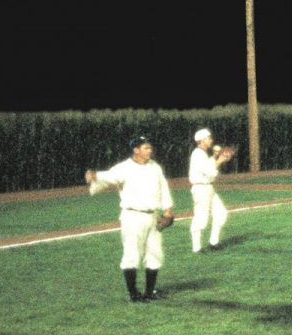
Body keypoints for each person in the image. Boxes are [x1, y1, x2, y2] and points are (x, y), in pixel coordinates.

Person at [86, 134, 175, 302]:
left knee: (155, 254)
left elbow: (163, 188)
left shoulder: (155, 167)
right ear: (136, 150)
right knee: (132, 254)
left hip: (153, 216)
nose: (150, 150)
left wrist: (168, 211)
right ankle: (134, 294)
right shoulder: (124, 168)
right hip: (132, 216)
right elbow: (107, 176)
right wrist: (94, 175)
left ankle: (149, 293)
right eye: (146, 147)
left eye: (150, 147)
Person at [188, 128, 232, 253]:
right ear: (201, 141)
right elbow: (210, 172)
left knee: (221, 213)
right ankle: (196, 248)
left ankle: (214, 242)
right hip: (201, 188)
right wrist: (220, 160)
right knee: (201, 219)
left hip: (208, 188)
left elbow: (209, 167)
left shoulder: (202, 153)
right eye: (208, 138)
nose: (211, 140)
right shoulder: (197, 154)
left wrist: (215, 157)